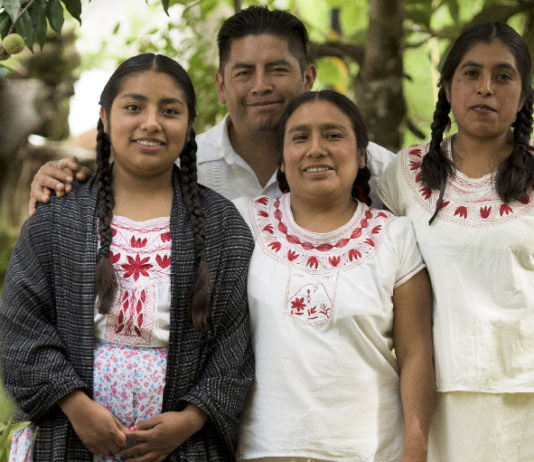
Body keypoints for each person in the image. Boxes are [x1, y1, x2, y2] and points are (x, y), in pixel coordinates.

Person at [0, 53, 255, 461]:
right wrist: (77, 407)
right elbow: (19, 328)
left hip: (182, 449)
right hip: (69, 442)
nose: (151, 122)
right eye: (133, 107)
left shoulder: (222, 226)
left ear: (190, 126)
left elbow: (235, 344)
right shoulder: (59, 216)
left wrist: (188, 421)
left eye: (169, 111)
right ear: (104, 117)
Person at [28, 6, 395, 213]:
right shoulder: (181, 167)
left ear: (308, 77)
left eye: (278, 69)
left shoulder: (375, 171)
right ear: (221, 86)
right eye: (244, 72)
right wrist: (53, 184)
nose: (261, 85)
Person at [233, 90, 434, 461]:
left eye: (333, 135)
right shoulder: (245, 222)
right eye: (299, 137)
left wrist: (416, 448)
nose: (316, 149)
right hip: (264, 448)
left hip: (369, 451)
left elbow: (416, 353)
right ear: (281, 160)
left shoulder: (395, 236)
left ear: (361, 155)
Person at [378, 22, 534, 461]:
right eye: (471, 74)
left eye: (503, 76)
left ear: (523, 96)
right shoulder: (404, 174)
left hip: (525, 395)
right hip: (434, 395)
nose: (486, 88)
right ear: (446, 87)